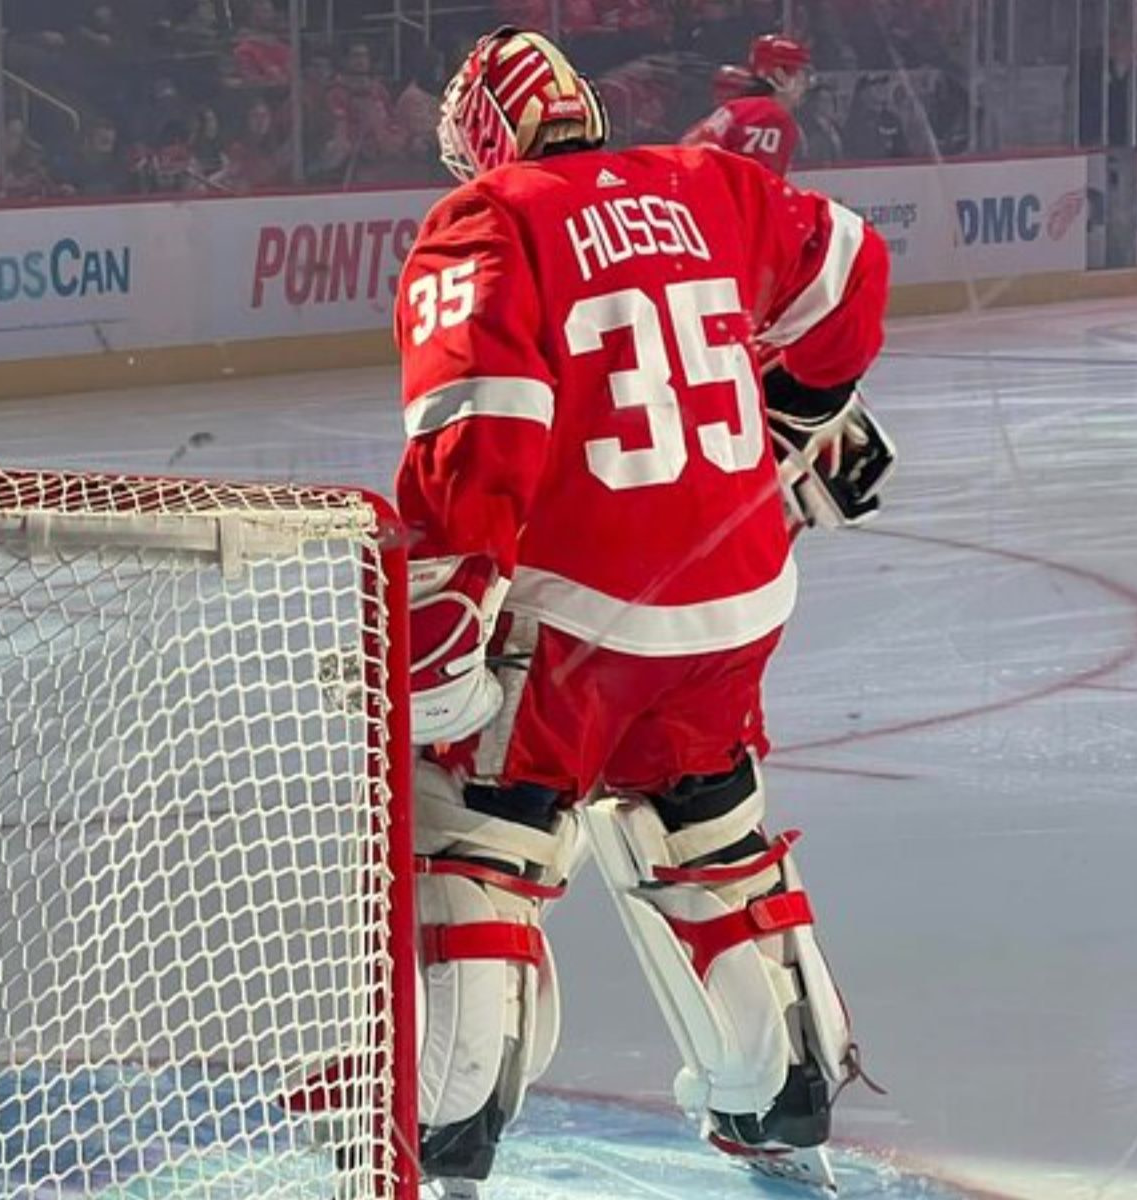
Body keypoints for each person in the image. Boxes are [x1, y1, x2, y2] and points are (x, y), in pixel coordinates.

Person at [355, 23, 892, 1195]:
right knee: (707, 835)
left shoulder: (490, 217)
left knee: (476, 833)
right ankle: (781, 1095)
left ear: (484, 140)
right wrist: (793, 420)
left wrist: (442, 638)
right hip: (735, 603)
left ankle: (440, 1135)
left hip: (580, 613)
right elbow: (851, 266)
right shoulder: (710, 182)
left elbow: (479, 436)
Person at [681, 33, 812, 176]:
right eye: (801, 74)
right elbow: (758, 186)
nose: (806, 84)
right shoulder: (770, 117)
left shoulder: (741, 109)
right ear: (780, 75)